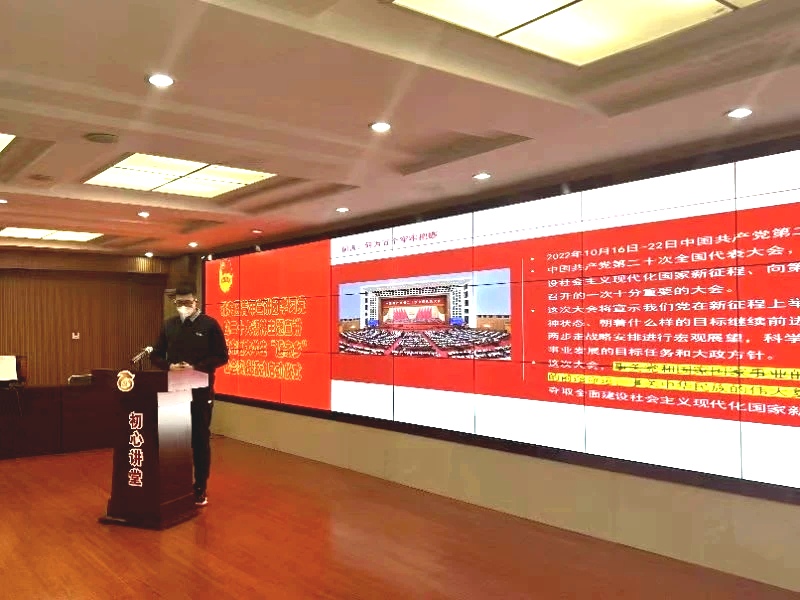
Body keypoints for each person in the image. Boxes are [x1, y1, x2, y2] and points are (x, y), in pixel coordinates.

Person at [150, 282, 229, 507]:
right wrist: (169, 366)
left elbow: (222, 356)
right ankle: (174, 484)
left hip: (201, 390)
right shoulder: (169, 325)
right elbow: (156, 355)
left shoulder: (209, 324)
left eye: (186, 302)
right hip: (174, 389)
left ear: (195, 301)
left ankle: (200, 486)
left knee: (199, 439)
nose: (183, 306)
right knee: (174, 438)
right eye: (179, 303)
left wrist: (196, 367)